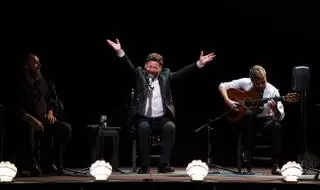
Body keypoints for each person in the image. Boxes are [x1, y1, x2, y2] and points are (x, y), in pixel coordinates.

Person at [106, 39, 216, 174]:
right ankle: (144, 165)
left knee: (170, 127)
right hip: (143, 118)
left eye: (155, 67)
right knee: (143, 128)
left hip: (161, 118)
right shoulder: (140, 74)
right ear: (145, 65)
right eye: (149, 66)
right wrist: (119, 51)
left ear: (160, 68)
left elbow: (182, 74)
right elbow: (129, 67)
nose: (151, 70)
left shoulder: (166, 76)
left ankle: (163, 164)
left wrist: (198, 64)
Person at [12, 53, 72, 176]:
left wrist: (50, 112)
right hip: (27, 119)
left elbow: (51, 100)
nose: (38, 65)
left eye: (38, 62)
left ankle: (50, 162)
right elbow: (14, 106)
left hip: (43, 118)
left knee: (65, 128)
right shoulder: (19, 82)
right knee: (29, 129)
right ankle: (30, 164)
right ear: (26, 66)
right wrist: (32, 119)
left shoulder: (44, 80)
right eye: (34, 62)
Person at [218, 65, 284, 175]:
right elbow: (222, 86)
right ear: (252, 81)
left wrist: (275, 109)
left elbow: (280, 117)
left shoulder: (273, 91)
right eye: (258, 83)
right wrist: (228, 101)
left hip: (264, 121)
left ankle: (275, 164)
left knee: (277, 126)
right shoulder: (245, 82)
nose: (261, 85)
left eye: (263, 81)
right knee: (248, 114)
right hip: (247, 121)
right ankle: (248, 150)